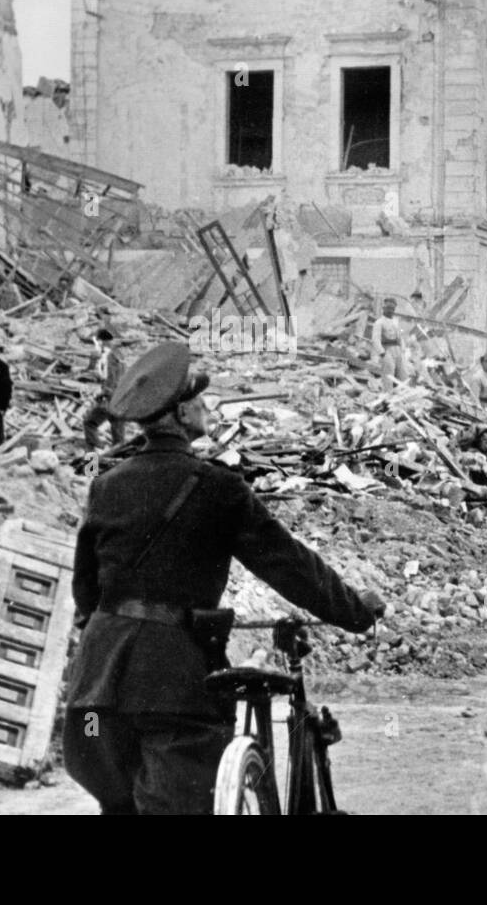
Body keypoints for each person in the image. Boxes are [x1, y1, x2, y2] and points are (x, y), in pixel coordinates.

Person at [62, 342, 385, 814]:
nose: (207, 408)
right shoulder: (218, 489)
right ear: (180, 413)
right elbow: (290, 566)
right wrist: (355, 610)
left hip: (93, 705)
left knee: (115, 796)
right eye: (199, 399)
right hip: (170, 695)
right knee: (177, 795)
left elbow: (85, 589)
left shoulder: (107, 485)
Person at [82, 329, 127, 450]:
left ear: (101, 342)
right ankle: (119, 460)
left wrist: (103, 393)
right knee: (118, 436)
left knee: (89, 423)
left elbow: (110, 378)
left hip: (110, 398)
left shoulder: (108, 356)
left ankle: (93, 460)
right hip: (121, 399)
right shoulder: (119, 355)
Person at [370, 297, 409, 390]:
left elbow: (400, 337)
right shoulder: (379, 323)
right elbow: (375, 339)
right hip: (387, 350)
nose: (390, 311)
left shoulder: (395, 322)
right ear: (384, 309)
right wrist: (382, 353)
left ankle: (405, 395)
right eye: (388, 308)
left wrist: (403, 349)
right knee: (388, 374)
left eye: (392, 309)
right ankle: (388, 395)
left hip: (398, 350)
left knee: (403, 374)